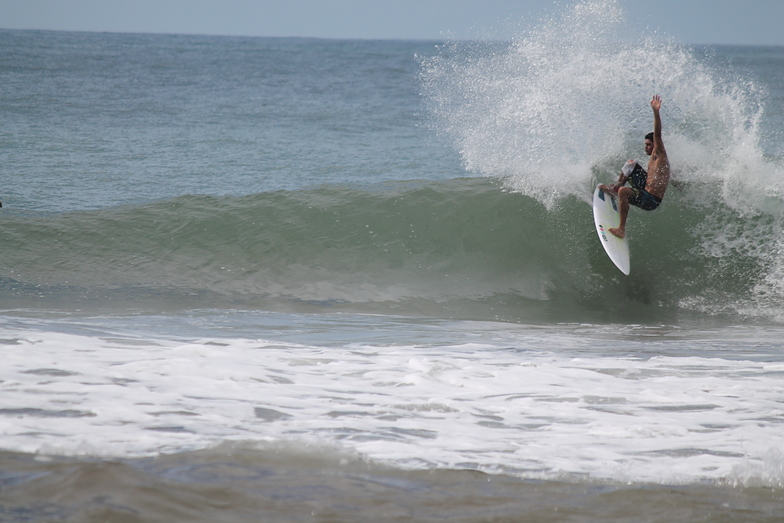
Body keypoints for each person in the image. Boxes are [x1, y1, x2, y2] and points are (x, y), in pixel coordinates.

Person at [599, 94, 670, 239]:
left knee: (624, 191)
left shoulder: (660, 154)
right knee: (631, 163)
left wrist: (656, 112)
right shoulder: (653, 159)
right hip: (644, 189)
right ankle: (616, 188)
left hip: (651, 200)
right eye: (645, 144)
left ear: (655, 145)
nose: (646, 147)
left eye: (648, 144)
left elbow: (657, 134)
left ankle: (621, 229)